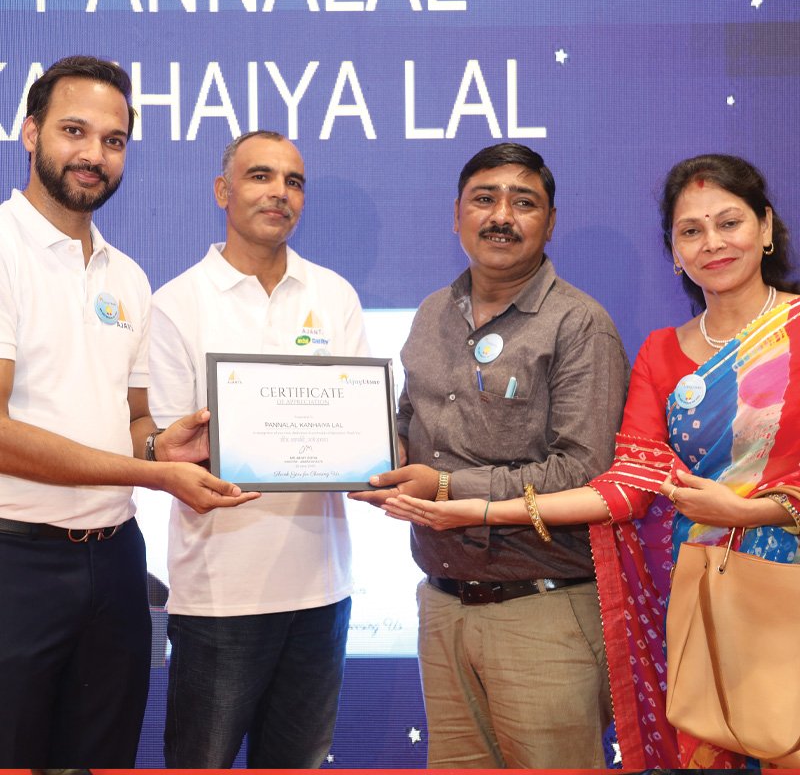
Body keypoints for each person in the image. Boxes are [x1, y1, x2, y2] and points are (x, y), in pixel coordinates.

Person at [386, 153, 800, 769]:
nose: (712, 243)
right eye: (691, 230)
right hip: (691, 597)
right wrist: (382, 467)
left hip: (780, 587)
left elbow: (580, 467)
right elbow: (625, 485)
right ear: (674, 250)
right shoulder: (662, 351)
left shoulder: (580, 324)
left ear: (765, 227)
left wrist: (760, 511)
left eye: (729, 223)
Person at [0, 56, 258, 769]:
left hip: (116, 562)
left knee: (101, 761)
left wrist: (163, 449)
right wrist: (150, 474)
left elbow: (135, 422)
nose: (94, 154)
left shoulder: (129, 276)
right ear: (30, 133)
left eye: (113, 140)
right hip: (15, 560)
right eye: (74, 131)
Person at [350, 143, 630, 768]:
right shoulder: (433, 312)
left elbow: (582, 471)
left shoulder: (579, 324)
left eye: (523, 202)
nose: (502, 215)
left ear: (549, 223)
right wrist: (360, 455)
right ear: (456, 215)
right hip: (442, 604)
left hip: (543, 609)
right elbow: (407, 422)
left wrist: (447, 486)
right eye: (484, 199)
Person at [148, 130, 370, 768]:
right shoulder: (175, 303)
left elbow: (362, 429)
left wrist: (367, 458)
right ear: (223, 190)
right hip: (219, 595)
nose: (279, 193)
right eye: (260, 176)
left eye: (293, 182)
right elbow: (166, 446)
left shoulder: (334, 295)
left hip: (321, 591)